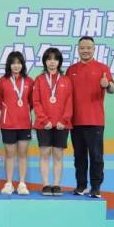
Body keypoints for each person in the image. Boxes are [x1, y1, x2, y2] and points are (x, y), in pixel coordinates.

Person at [66, 36, 114, 199]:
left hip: (95, 120)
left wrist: (107, 85)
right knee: (79, 156)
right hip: (75, 121)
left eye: (88, 48)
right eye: (82, 48)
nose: (85, 50)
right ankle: (81, 185)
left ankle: (95, 187)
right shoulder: (71, 70)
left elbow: (112, 89)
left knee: (96, 156)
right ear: (78, 49)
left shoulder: (102, 68)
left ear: (94, 49)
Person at [32, 47, 73, 196]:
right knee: (44, 154)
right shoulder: (39, 80)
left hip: (62, 125)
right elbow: (36, 102)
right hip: (44, 124)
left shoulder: (66, 80)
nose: (52, 62)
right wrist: (44, 120)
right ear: (45, 61)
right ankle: (45, 184)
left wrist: (64, 120)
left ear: (59, 62)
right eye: (49, 59)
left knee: (58, 155)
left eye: (55, 59)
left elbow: (69, 102)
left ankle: (56, 184)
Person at [0, 51, 34, 195]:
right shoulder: (2, 81)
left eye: (19, 63)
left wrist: (23, 110)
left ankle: (22, 183)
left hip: (24, 123)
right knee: (9, 154)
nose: (16, 66)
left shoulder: (29, 81)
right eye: (13, 63)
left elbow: (31, 102)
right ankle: (9, 183)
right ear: (9, 65)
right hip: (8, 123)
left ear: (22, 65)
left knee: (23, 153)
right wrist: (8, 110)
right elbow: (0, 100)